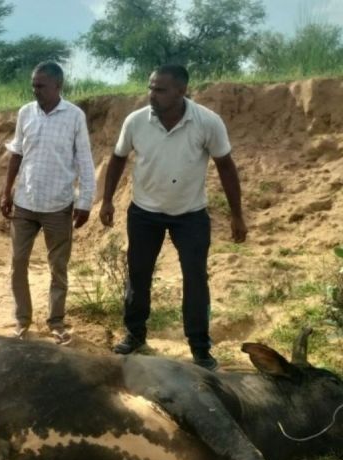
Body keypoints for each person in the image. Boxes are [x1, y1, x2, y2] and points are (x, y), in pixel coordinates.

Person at [99, 64, 247, 370]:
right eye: (151, 87)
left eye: (160, 89)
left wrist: (237, 215)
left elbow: (226, 167)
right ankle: (135, 334)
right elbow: (117, 159)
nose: (152, 94)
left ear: (181, 91)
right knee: (138, 275)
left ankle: (200, 348)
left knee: (195, 279)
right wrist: (108, 200)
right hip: (144, 213)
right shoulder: (136, 121)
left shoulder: (207, 122)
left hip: (190, 215)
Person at [1, 61, 96, 345]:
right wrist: (7, 191)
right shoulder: (25, 113)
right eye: (33, 85)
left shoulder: (74, 116)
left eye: (41, 85)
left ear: (58, 86)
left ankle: (56, 321)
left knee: (58, 266)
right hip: (25, 202)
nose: (35, 90)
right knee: (18, 262)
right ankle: (22, 319)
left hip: (59, 204)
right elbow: (17, 153)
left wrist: (85, 201)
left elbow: (84, 161)